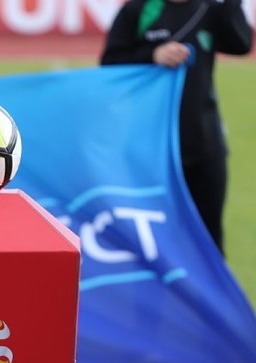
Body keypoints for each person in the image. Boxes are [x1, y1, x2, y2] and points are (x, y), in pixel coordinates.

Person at [100, 0, 252, 254]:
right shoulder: (139, 9)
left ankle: (205, 295)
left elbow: (241, 44)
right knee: (153, 242)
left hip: (205, 146)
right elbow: (110, 63)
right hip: (149, 149)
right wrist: (152, 55)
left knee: (209, 240)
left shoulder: (211, 8)